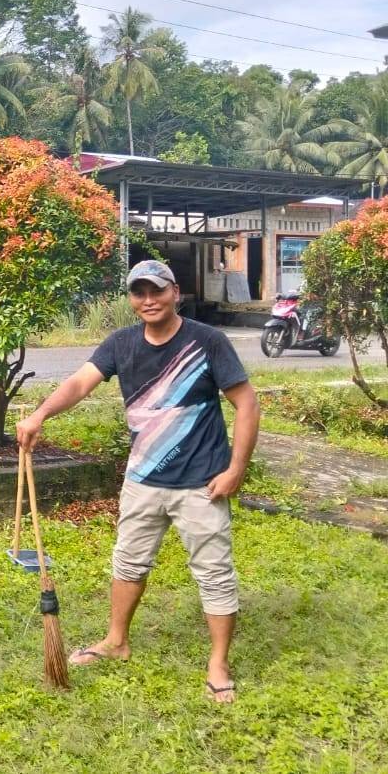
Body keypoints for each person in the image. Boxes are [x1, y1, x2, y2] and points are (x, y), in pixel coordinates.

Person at [16, 260, 260, 704]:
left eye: (157, 291)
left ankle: (219, 661)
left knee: (214, 574)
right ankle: (116, 641)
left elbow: (247, 404)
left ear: (175, 293)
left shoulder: (207, 341)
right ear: (131, 298)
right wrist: (40, 414)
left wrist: (235, 469)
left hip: (201, 483)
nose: (148, 301)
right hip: (143, 479)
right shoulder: (121, 343)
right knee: (128, 563)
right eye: (139, 293)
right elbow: (78, 383)